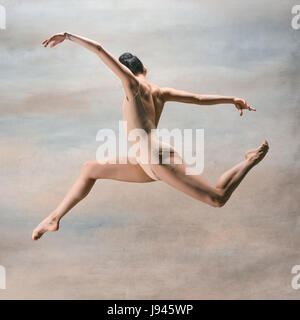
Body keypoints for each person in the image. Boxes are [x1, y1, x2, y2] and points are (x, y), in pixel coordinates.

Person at [32, 32, 269, 240]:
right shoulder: (160, 91)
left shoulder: (132, 86)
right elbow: (197, 99)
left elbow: (99, 50)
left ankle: (250, 159)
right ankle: (54, 217)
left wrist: (68, 36)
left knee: (217, 199)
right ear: (144, 68)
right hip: (146, 163)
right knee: (89, 169)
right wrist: (231, 99)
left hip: (157, 159)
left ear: (127, 72)